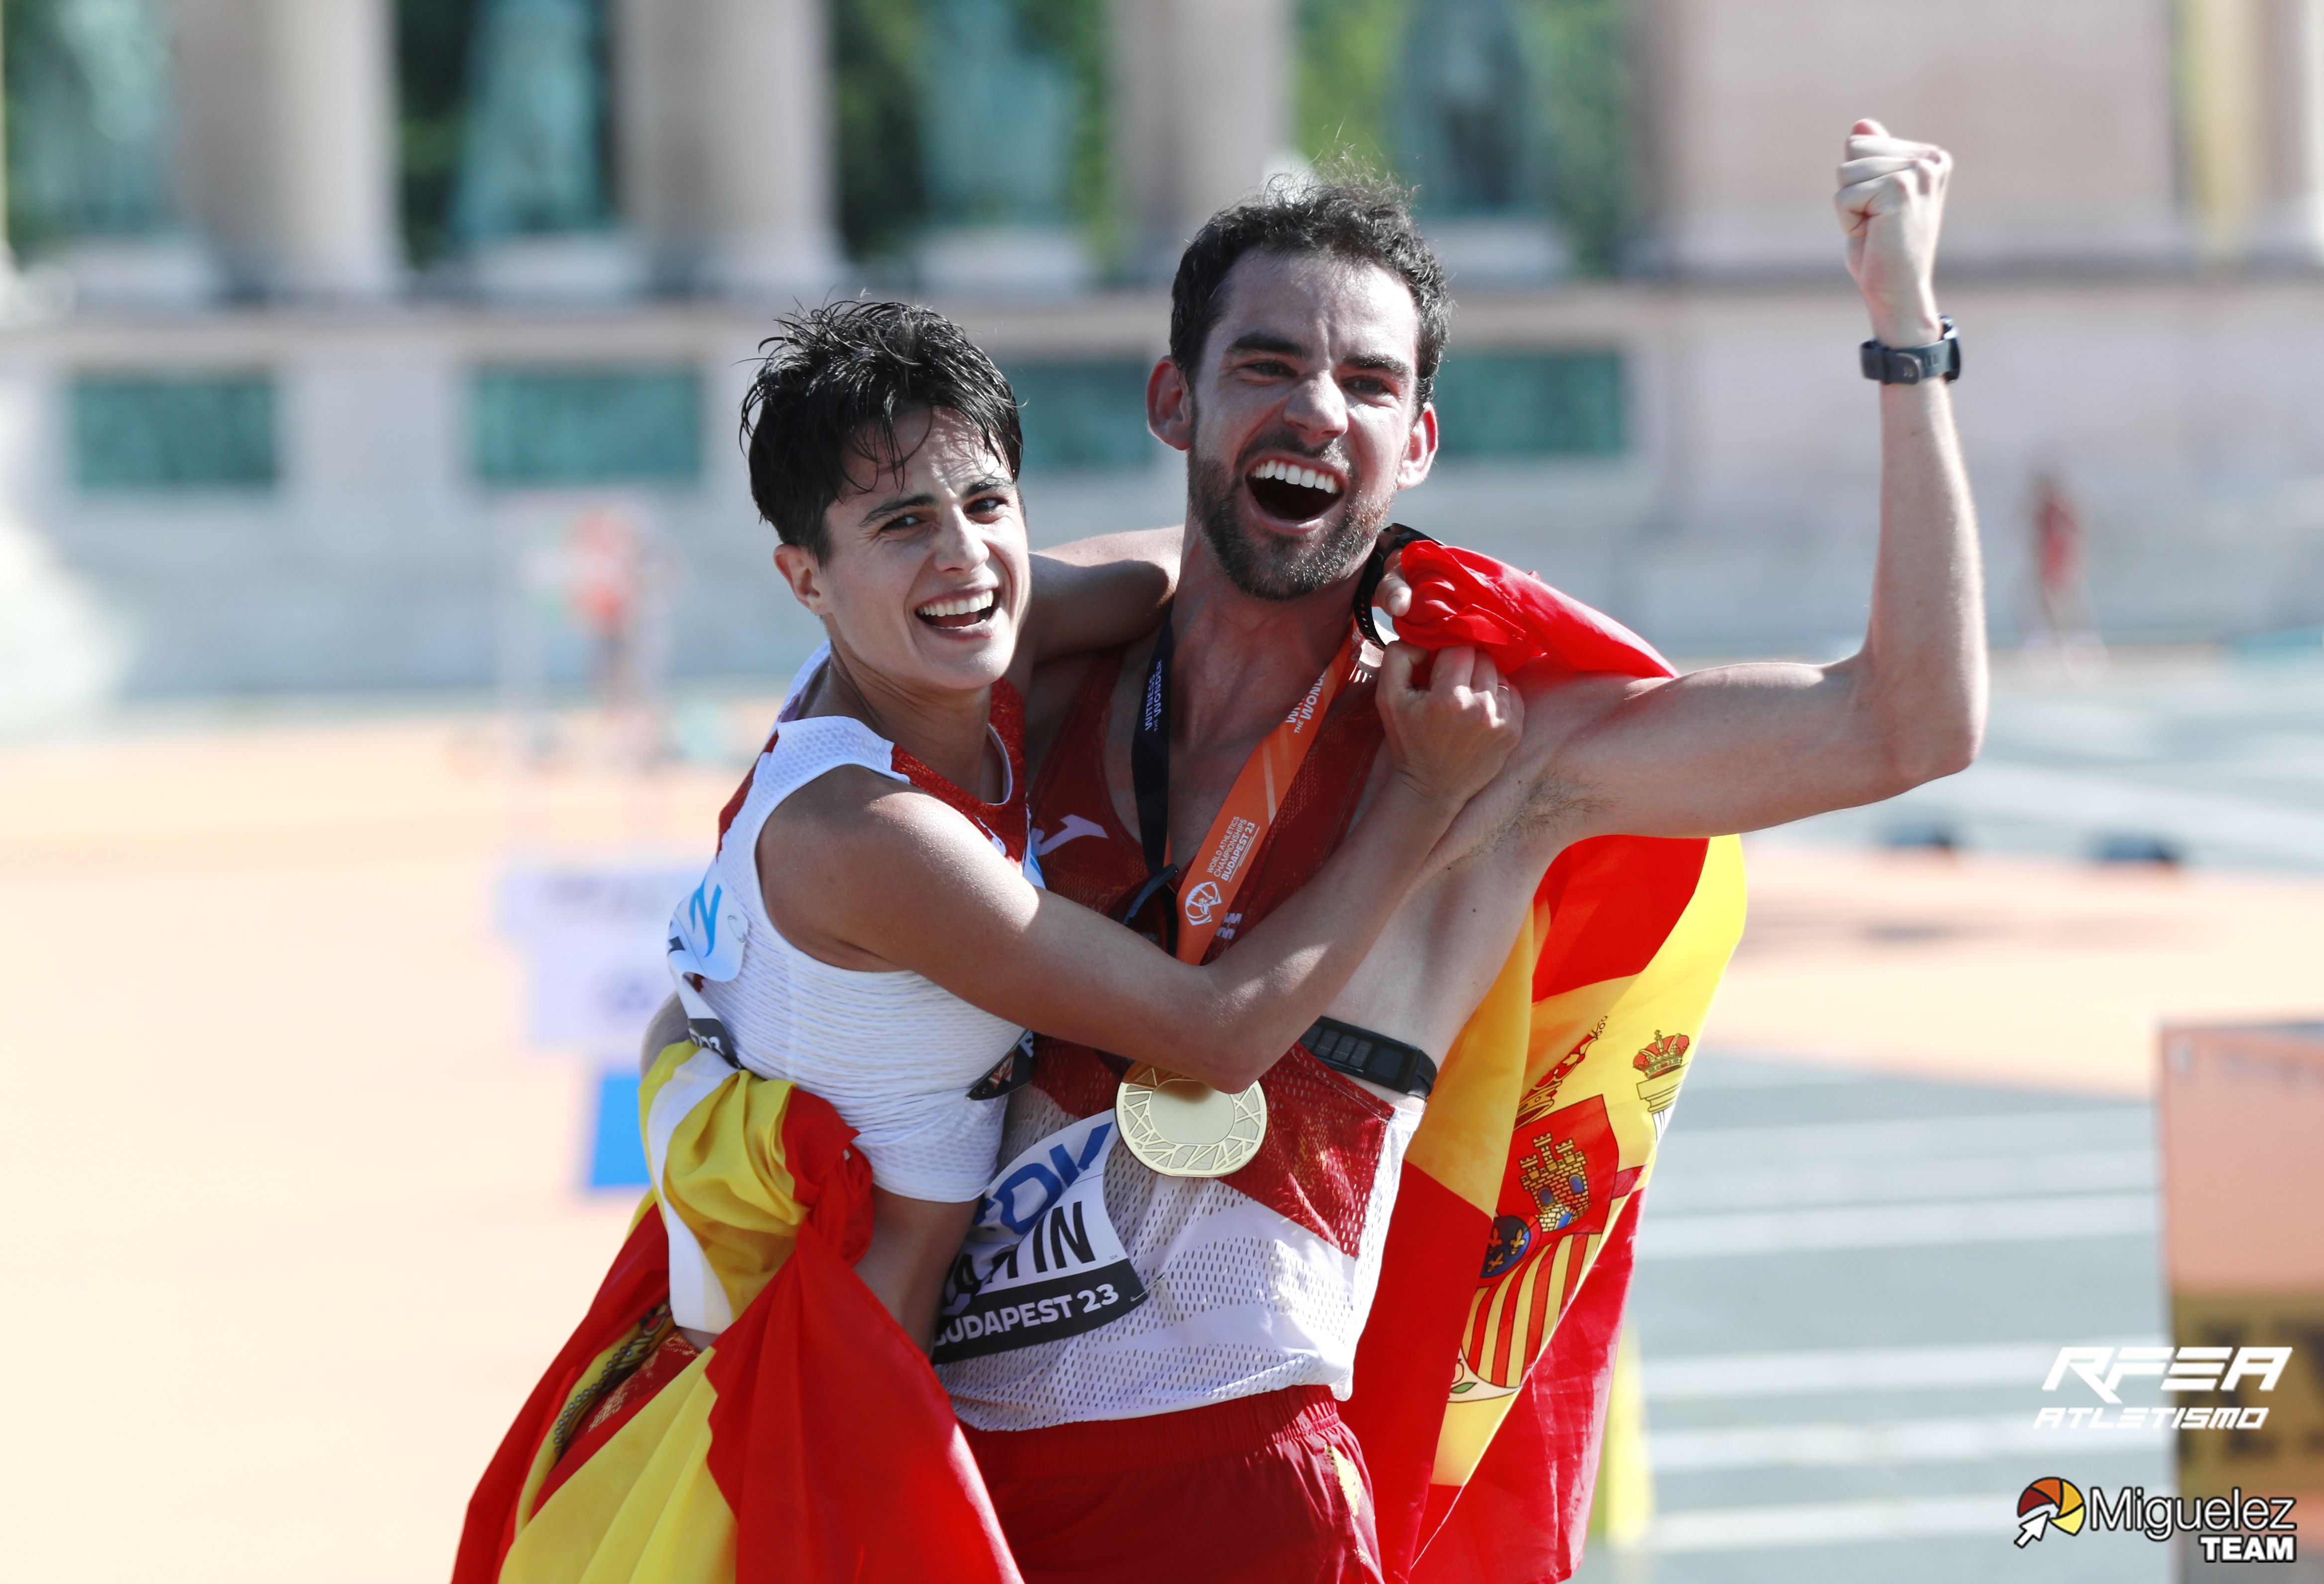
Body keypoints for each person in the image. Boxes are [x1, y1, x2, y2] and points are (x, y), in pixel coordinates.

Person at [942, 119, 1982, 1584]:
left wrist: (1907, 332)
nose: (1317, 410)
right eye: (1267, 367)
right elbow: (867, 663)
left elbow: (1906, 724)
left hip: (1244, 1513)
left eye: (1369, 383)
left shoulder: (1493, 748)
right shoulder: (1044, 687)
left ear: (1418, 441)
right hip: (951, 1484)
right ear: (1175, 398)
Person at [457, 301, 1520, 1584]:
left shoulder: (948, 661)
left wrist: (1364, 552)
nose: (963, 559)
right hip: (812, 1455)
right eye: (901, 525)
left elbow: (1160, 576)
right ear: (806, 580)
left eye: (987, 505)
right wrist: (1426, 793)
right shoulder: (874, 831)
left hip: (868, 1380)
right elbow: (1219, 1030)